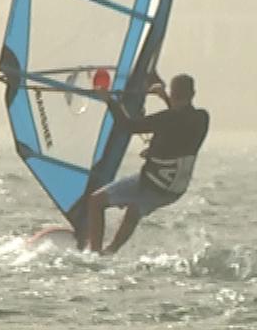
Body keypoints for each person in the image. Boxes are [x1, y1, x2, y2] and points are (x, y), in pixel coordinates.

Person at [32, 73, 209, 255]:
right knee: (131, 210)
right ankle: (109, 251)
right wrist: (164, 98)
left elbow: (128, 126)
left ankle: (96, 253)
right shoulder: (202, 118)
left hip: (154, 184)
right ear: (193, 93)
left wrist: (109, 100)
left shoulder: (168, 119)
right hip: (173, 188)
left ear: (173, 93)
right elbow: (180, 123)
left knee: (97, 202)